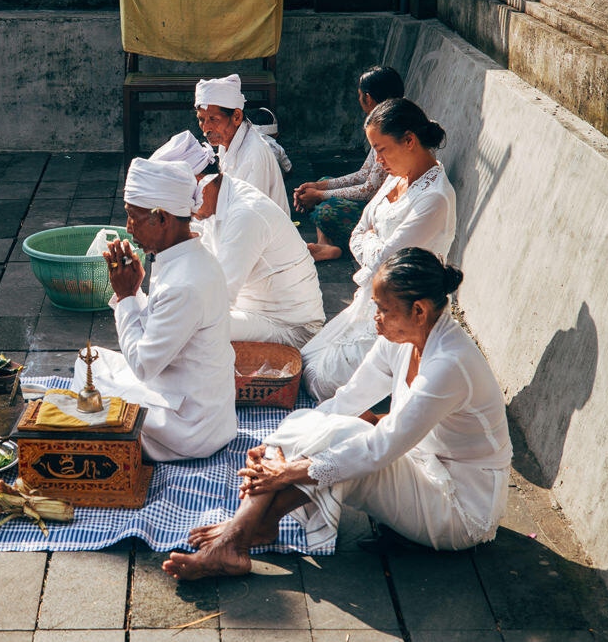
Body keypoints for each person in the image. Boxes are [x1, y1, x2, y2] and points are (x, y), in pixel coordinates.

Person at [162, 248, 512, 580]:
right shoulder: (403, 338)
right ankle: (250, 529)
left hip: (461, 510)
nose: (375, 319)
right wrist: (281, 444)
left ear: (419, 311)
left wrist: (290, 470)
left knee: (353, 440)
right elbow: (345, 401)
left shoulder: (449, 364)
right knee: (313, 421)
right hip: (422, 469)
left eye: (384, 309)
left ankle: (235, 537)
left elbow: (382, 447)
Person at [72, 156, 238, 461]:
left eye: (132, 217)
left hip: (188, 428)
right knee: (89, 360)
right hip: (195, 404)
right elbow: (161, 324)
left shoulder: (184, 283)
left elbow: (143, 366)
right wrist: (134, 291)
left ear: (160, 218)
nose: (127, 228)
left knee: (88, 374)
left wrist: (125, 296)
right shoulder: (185, 257)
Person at [300, 97, 456, 402]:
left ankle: (384, 386)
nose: (378, 160)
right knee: (304, 359)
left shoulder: (434, 198)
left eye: (381, 150)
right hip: (370, 298)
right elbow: (360, 228)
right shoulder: (395, 179)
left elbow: (386, 258)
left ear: (409, 140)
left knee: (322, 382)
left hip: (401, 311)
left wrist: (370, 242)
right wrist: (372, 242)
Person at [150, 130, 324, 348]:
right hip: (251, 312)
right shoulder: (214, 198)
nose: (182, 210)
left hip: (291, 329)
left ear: (200, 182)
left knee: (188, 325)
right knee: (171, 316)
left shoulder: (245, 215)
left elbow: (219, 300)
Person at [293, 66, 405, 261]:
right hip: (376, 200)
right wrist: (320, 186)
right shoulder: (388, 118)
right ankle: (325, 245)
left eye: (360, 95)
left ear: (367, 98)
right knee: (324, 182)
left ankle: (331, 244)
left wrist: (319, 195)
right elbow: (364, 174)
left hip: (386, 212)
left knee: (326, 209)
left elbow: (368, 190)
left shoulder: (390, 127)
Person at [194, 74, 290, 214]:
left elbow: (251, 214)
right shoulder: (226, 141)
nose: (206, 128)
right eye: (201, 119)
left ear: (237, 117)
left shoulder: (254, 154)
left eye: (213, 119)